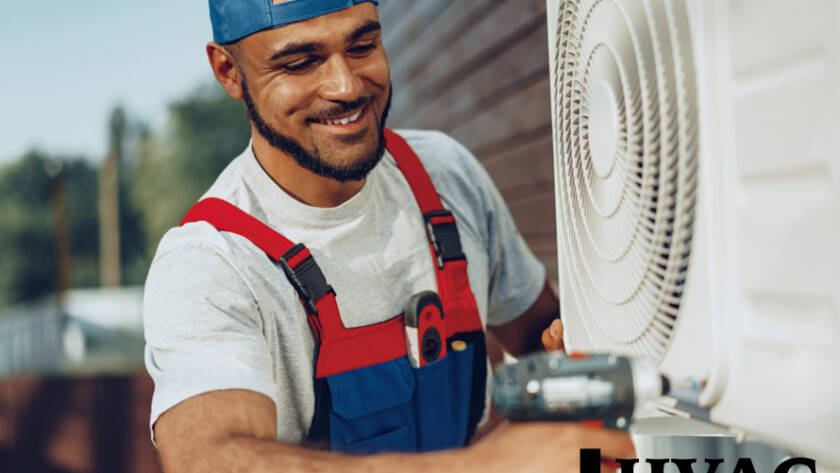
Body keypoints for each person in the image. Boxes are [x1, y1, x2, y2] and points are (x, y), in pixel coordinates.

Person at [143, 1, 634, 472]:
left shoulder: (446, 175)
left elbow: (546, 340)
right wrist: (485, 467)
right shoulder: (211, 262)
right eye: (300, 62)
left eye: (362, 46)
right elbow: (208, 459)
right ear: (229, 70)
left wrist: (563, 367)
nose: (346, 86)